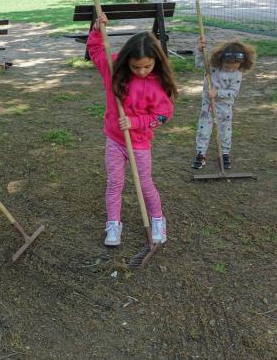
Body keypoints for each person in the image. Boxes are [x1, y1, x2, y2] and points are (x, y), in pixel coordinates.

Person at [87, 14, 177, 247]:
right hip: (115, 140)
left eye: (148, 66)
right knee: (114, 183)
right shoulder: (114, 68)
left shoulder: (157, 84)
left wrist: (135, 122)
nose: (142, 71)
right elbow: (96, 51)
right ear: (127, 61)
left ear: (156, 61)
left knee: (145, 183)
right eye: (136, 67)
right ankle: (113, 224)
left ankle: (157, 220)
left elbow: (163, 114)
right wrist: (97, 31)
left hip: (139, 143)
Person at [191, 38, 256, 170]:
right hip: (208, 106)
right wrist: (199, 50)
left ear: (241, 63)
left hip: (225, 108)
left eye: (235, 66)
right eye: (227, 66)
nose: (231, 69)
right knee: (203, 130)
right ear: (221, 60)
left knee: (225, 131)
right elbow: (199, 64)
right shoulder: (213, 67)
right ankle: (200, 154)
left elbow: (233, 93)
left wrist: (218, 93)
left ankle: (225, 154)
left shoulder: (237, 73)